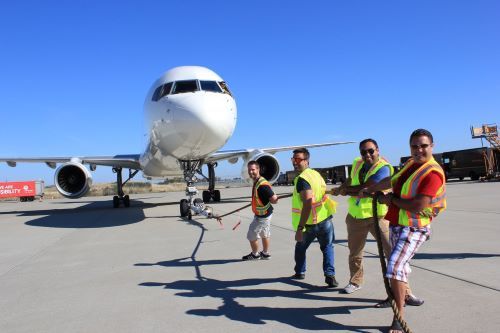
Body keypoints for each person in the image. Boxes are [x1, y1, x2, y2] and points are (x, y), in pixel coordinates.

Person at [360, 129, 446, 333]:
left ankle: (398, 317)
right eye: (415, 146)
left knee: (395, 266)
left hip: (415, 226)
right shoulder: (411, 164)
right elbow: (392, 180)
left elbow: (417, 205)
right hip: (399, 224)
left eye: (423, 146)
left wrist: (389, 200)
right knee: (400, 267)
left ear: (432, 146)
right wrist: (370, 189)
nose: (419, 150)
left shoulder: (432, 172)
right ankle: (404, 295)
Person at [331, 139, 394, 294]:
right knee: (355, 252)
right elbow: (351, 179)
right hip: (356, 216)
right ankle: (355, 281)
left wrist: (346, 191)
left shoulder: (383, 168)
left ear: (378, 150)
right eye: (363, 152)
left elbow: (368, 188)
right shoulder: (358, 163)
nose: (367, 154)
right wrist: (342, 187)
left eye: (371, 151)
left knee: (391, 253)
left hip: (377, 216)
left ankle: (403, 290)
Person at [290, 148, 339, 287]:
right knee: (328, 247)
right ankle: (330, 275)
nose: (295, 162)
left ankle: (300, 271)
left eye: (298, 159)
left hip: (310, 223)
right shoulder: (316, 174)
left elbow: (307, 203)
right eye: (293, 159)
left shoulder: (302, 179)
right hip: (325, 219)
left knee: (300, 247)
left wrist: (300, 228)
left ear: (307, 161)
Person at [242, 161, 278, 260]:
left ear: (258, 169)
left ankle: (255, 254)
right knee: (264, 233)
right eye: (249, 170)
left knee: (251, 235)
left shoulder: (262, 185)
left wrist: (274, 198)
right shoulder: (258, 181)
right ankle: (265, 253)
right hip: (265, 214)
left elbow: (274, 200)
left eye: (253, 169)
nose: (251, 172)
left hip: (262, 216)